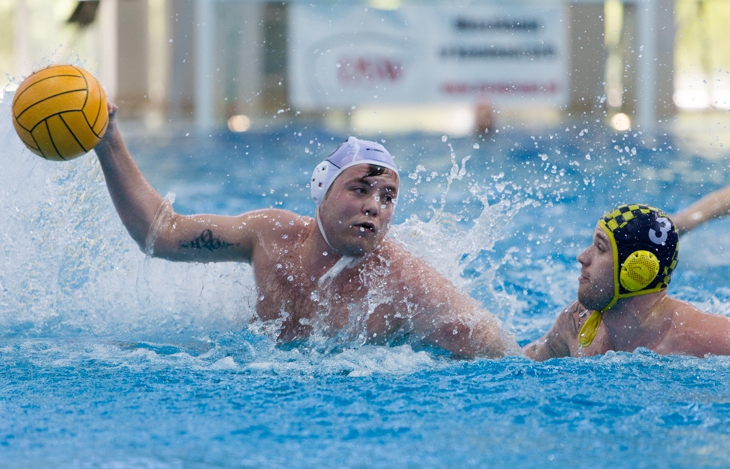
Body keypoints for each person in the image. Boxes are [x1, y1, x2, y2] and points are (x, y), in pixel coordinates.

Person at [94, 104, 518, 358]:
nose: (375, 205)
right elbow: (161, 234)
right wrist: (108, 142)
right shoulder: (269, 235)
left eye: (388, 197)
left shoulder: (404, 284)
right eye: (360, 189)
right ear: (321, 190)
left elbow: (502, 354)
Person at [525, 204, 730, 360]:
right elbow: (523, 364)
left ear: (637, 270)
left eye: (600, 247)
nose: (582, 257)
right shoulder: (576, 321)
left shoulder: (700, 336)